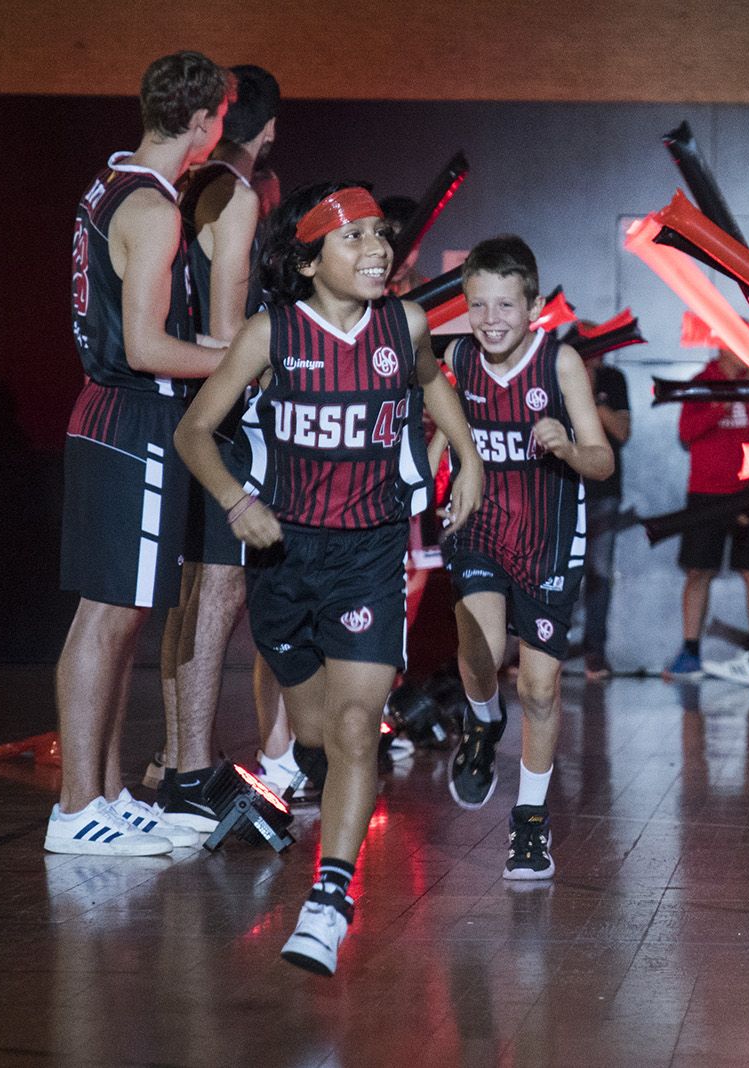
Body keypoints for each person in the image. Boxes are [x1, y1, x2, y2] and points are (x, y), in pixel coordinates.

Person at [177, 182, 483, 975]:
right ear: (309, 259)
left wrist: (469, 454)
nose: (378, 250)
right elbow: (194, 432)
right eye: (355, 240)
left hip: (370, 555)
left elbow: (432, 378)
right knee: (314, 732)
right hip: (285, 556)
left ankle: (331, 899)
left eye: (382, 235)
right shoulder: (269, 335)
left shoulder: (403, 323)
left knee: (355, 730)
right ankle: (319, 791)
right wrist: (236, 501)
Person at [46, 51, 233, 858]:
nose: (219, 130)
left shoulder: (111, 180)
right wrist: (235, 356)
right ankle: (74, 805)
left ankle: (106, 792)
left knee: (116, 621)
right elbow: (152, 345)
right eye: (220, 117)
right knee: (105, 619)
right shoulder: (155, 209)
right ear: (202, 123)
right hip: (132, 418)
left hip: (112, 414)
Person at [438, 237, 613, 879]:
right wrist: (433, 479)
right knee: (479, 651)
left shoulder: (560, 364)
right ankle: (482, 722)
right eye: (478, 305)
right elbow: (444, 431)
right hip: (480, 524)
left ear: (535, 306)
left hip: (547, 534)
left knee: (540, 687)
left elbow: (602, 459)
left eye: (505, 305)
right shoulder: (457, 357)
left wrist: (566, 446)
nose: (490, 320)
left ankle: (531, 821)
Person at [153, 64, 285, 831]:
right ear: (265, 130)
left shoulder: (191, 187)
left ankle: (179, 760)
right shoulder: (233, 195)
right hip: (223, 416)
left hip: (186, 405)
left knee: (197, 593)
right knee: (217, 592)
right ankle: (191, 771)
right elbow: (229, 333)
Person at [664, 348, 749, 682]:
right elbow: (687, 433)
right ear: (723, 348)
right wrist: (719, 408)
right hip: (707, 493)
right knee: (699, 572)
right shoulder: (701, 383)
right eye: (739, 344)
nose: (748, 352)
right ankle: (689, 651)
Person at [578, 332, 631, 679]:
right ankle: (537, 647)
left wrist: (592, 401)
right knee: (552, 573)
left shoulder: (613, 380)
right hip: (564, 488)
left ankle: (594, 651)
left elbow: (623, 432)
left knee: (598, 573)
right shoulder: (555, 374)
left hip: (603, 490)